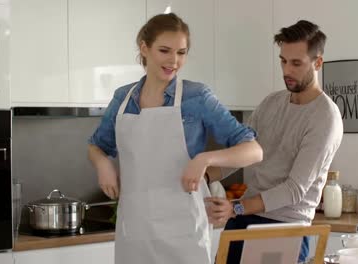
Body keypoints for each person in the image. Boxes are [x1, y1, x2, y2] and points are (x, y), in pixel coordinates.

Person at [87, 13, 263, 264]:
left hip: (184, 234)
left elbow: (254, 150)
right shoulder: (123, 99)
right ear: (144, 48)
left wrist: (205, 158)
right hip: (135, 232)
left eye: (181, 53)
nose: (174, 61)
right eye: (165, 50)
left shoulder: (197, 97)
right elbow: (96, 146)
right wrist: (102, 163)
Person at [205, 20, 343, 263]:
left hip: (284, 228)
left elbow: (294, 189)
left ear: (318, 62)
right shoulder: (272, 103)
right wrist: (204, 177)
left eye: (296, 63)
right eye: (283, 60)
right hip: (243, 220)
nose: (286, 70)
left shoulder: (325, 117)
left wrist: (236, 207)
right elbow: (242, 153)